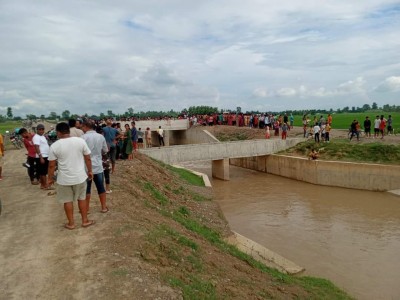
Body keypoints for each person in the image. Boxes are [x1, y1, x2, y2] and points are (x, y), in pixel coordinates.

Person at [47, 122, 94, 230]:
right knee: (81, 199)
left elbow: (51, 165)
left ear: (58, 132)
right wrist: (90, 171)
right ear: (68, 130)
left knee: (67, 201)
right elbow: (87, 158)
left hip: (64, 179)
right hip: (80, 177)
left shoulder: (55, 146)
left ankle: (71, 223)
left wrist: (50, 178)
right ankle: (85, 221)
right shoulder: (80, 141)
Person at [82, 121, 109, 213]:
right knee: (101, 187)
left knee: (87, 189)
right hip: (98, 166)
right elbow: (105, 150)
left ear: (85, 126)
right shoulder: (100, 137)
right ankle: (104, 207)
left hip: (86, 167)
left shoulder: (83, 138)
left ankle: (86, 209)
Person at [33, 124, 52, 189]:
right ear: (37, 130)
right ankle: (46, 185)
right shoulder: (36, 137)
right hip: (42, 156)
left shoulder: (42, 136)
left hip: (45, 156)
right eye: (40, 129)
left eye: (42, 129)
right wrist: (41, 157)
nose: (41, 131)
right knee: (43, 172)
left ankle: (42, 185)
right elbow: (36, 147)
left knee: (42, 172)